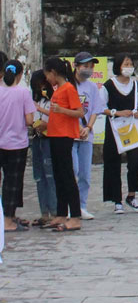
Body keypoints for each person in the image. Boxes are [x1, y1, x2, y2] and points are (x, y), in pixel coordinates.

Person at [101, 54, 138, 214]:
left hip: (130, 127)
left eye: (131, 64)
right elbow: (101, 107)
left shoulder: (135, 85)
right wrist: (117, 112)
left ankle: (132, 195)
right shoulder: (108, 85)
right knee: (113, 162)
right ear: (118, 66)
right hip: (114, 127)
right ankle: (116, 200)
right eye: (126, 63)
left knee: (136, 160)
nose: (129, 66)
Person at [43, 57, 83, 232]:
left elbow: (79, 112)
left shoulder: (68, 88)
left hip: (64, 136)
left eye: (47, 75)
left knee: (67, 176)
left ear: (53, 72)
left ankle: (75, 216)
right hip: (55, 134)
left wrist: (62, 111)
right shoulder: (58, 89)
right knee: (58, 175)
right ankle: (61, 213)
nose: (47, 79)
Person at [0, 60, 36, 232]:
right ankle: (8, 219)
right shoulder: (23, 92)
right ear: (20, 74)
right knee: (12, 182)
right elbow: (29, 120)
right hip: (16, 144)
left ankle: (8, 217)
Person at [71, 51, 101, 219]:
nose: (88, 69)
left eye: (91, 66)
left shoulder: (92, 87)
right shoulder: (69, 85)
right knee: (72, 170)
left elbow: (95, 110)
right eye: (85, 66)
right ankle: (71, 205)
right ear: (76, 66)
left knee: (85, 174)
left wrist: (88, 127)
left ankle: (82, 205)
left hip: (85, 135)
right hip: (70, 135)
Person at [29, 71, 56, 226]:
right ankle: (44, 212)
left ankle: (54, 211)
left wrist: (39, 109)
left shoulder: (52, 98)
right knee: (39, 176)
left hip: (49, 138)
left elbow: (55, 115)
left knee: (50, 175)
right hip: (38, 137)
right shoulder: (34, 99)